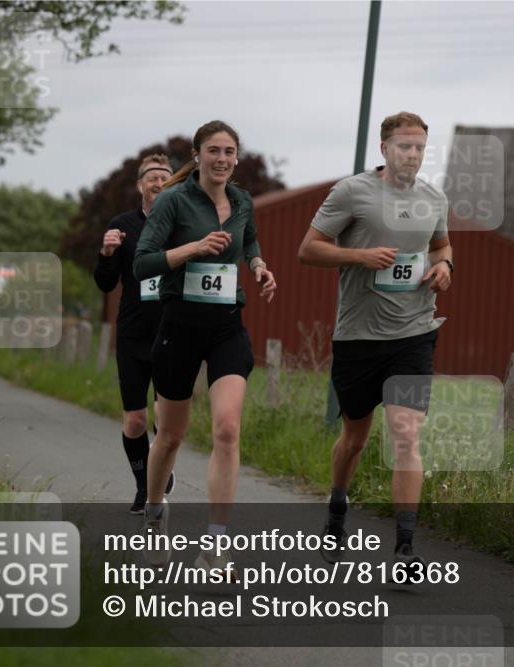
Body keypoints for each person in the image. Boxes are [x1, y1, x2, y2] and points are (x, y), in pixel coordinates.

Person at [298, 111, 453, 567]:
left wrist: (445, 266)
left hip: (414, 334)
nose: (413, 155)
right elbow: (308, 249)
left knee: (406, 434)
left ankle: (405, 547)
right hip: (358, 336)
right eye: (404, 146)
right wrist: (358, 255)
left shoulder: (433, 198)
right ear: (384, 148)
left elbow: (441, 246)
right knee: (355, 438)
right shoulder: (352, 192)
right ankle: (337, 505)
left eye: (420, 147)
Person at [134, 120, 276, 572]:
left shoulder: (240, 200)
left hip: (226, 326)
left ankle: (216, 546)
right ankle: (155, 514)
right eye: (213, 150)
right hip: (179, 325)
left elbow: (248, 236)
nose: (222, 158)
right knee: (171, 435)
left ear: (236, 158)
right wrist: (192, 249)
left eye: (229, 151)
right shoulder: (173, 201)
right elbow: (143, 264)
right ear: (197, 156)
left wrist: (256, 263)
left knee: (228, 429)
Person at [94, 154, 176, 514]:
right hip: (132, 334)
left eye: (165, 177)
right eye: (152, 178)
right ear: (139, 185)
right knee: (135, 419)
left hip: (173, 333)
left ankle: (158, 474)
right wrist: (107, 252)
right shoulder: (123, 225)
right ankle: (144, 483)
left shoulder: (183, 224)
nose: (159, 183)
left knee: (165, 416)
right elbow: (105, 282)